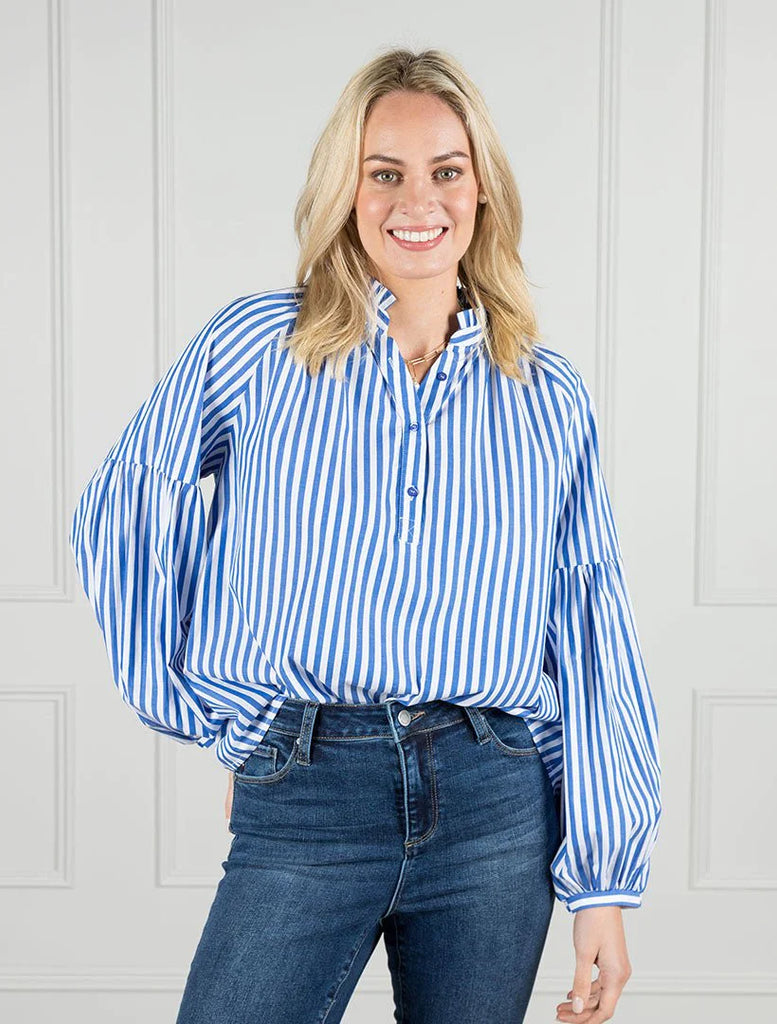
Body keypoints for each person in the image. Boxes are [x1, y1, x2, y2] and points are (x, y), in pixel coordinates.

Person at [69, 47, 662, 1024]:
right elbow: (128, 501)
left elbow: (591, 626)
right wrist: (225, 716)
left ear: (482, 187)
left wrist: (602, 883)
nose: (416, 201)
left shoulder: (544, 394)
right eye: (383, 171)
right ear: (345, 189)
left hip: (494, 800)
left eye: (446, 170)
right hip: (306, 786)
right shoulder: (259, 347)